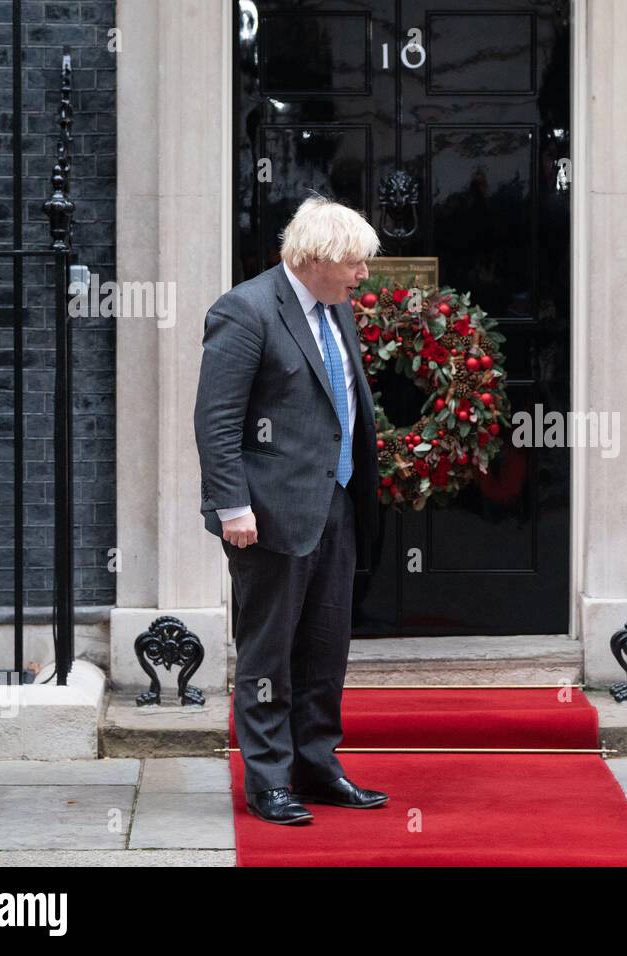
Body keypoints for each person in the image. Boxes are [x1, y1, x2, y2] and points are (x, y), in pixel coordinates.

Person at [194, 194, 387, 825]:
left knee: (326, 648)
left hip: (335, 505)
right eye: (355, 263)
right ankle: (269, 780)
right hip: (268, 514)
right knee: (268, 652)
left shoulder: (337, 310)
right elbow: (217, 423)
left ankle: (316, 764)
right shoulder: (246, 310)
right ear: (318, 257)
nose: (364, 275)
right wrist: (232, 507)